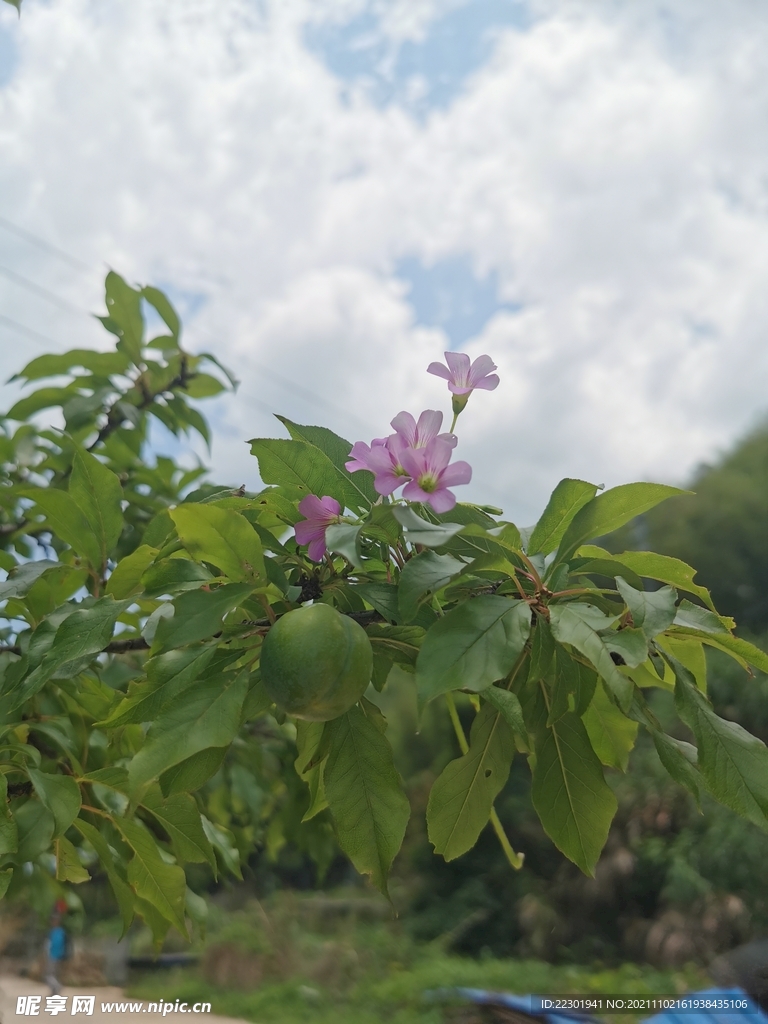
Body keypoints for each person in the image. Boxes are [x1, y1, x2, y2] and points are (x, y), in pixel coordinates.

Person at [44, 903, 69, 996]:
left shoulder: (57, 932)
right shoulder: (58, 932)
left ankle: (57, 986)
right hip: (57, 955)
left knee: (49, 976)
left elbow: (51, 944)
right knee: (54, 975)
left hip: (54, 955)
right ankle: (54, 992)